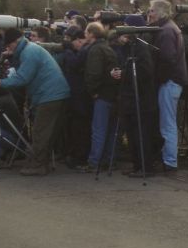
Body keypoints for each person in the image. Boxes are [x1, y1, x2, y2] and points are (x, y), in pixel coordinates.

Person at [0, 28, 70, 176]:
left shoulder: (29, 52)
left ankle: (38, 166)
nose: (7, 48)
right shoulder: (29, 49)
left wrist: (1, 82)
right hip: (52, 94)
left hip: (50, 95)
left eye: (9, 45)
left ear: (15, 42)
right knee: (45, 132)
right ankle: (40, 163)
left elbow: (23, 78)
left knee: (40, 132)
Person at [110, 15, 157, 178]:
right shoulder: (125, 48)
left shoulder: (141, 48)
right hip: (128, 97)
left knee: (141, 135)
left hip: (141, 98)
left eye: (126, 26)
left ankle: (145, 166)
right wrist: (116, 72)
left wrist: (125, 73)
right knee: (131, 134)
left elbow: (145, 71)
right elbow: (122, 64)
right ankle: (136, 165)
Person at [148, 0, 188, 172]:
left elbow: (167, 59)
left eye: (150, 11)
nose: (148, 14)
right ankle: (168, 159)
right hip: (173, 81)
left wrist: (159, 80)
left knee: (167, 123)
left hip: (170, 82)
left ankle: (170, 161)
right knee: (168, 122)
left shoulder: (165, 32)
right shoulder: (171, 28)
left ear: (158, 12)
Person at [79, 22, 120, 172]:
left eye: (86, 32)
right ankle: (109, 160)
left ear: (91, 33)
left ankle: (93, 162)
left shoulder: (95, 50)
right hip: (113, 94)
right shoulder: (108, 48)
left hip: (102, 94)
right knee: (110, 130)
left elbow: (94, 73)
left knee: (99, 130)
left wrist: (93, 91)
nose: (84, 35)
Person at [60, 26, 92, 169]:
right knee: (75, 126)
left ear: (79, 40)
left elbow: (74, 64)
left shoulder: (85, 51)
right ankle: (73, 153)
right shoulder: (82, 51)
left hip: (81, 96)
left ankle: (80, 156)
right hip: (76, 95)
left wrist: (67, 50)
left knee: (80, 128)